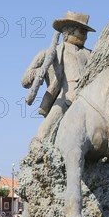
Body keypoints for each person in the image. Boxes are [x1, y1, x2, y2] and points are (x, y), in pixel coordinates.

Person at [22, 11, 96, 142]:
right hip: (66, 96)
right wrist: (39, 71)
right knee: (45, 130)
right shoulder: (49, 53)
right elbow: (24, 81)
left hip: (90, 95)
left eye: (86, 33)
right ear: (68, 32)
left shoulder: (90, 54)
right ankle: (38, 148)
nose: (85, 36)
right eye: (82, 31)